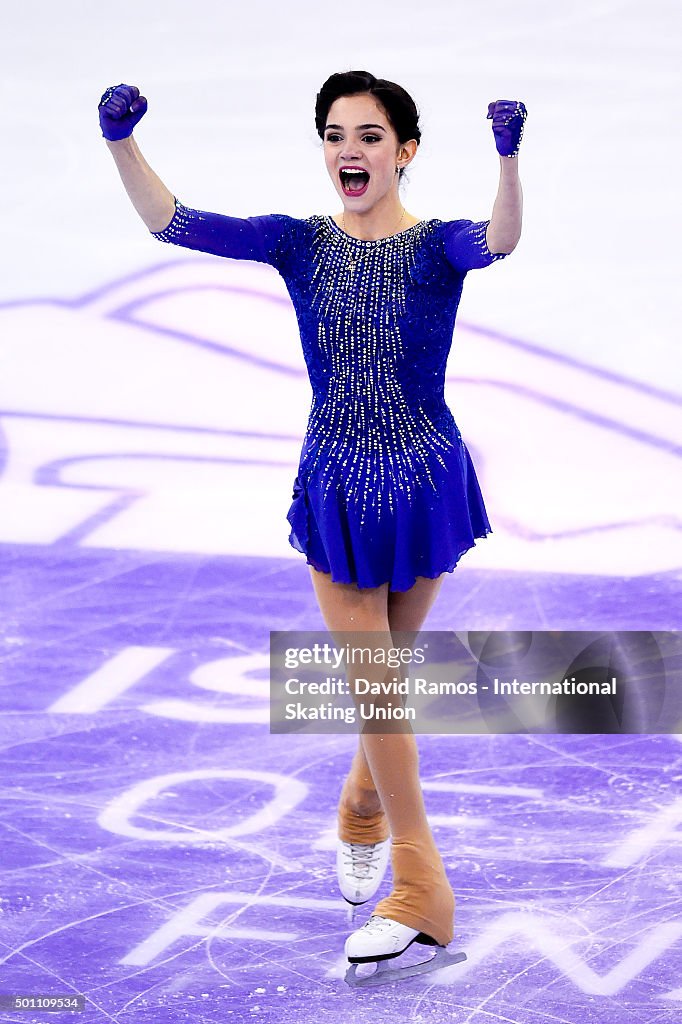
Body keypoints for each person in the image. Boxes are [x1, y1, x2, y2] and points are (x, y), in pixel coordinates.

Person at [98, 70, 525, 985]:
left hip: (420, 477)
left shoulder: (438, 247)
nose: (349, 152)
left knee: (389, 681)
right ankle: (421, 889)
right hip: (337, 480)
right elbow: (172, 222)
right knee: (377, 688)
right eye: (335, 135)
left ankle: (362, 807)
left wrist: (508, 160)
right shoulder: (298, 244)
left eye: (370, 136)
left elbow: (501, 240)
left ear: (404, 151)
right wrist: (119, 145)